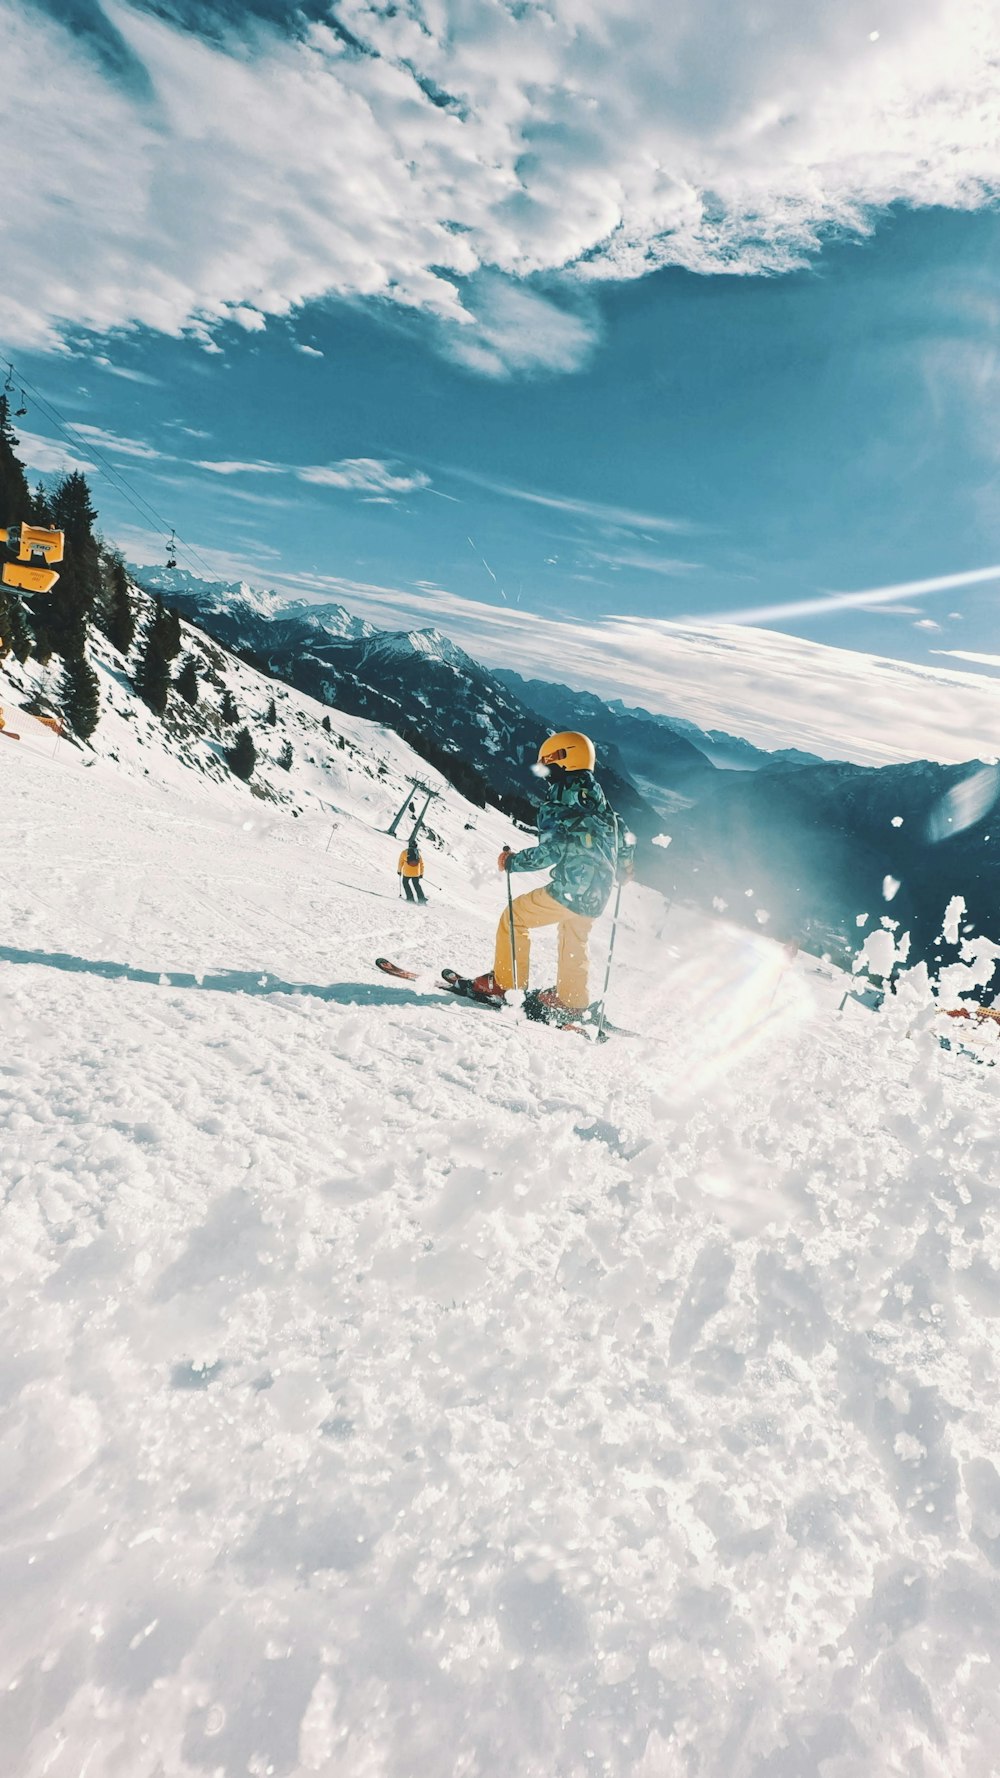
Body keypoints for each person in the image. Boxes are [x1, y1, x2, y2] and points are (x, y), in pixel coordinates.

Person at [469, 731, 631, 1015]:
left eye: (548, 764)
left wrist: (513, 862)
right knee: (574, 936)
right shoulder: (600, 802)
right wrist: (625, 867)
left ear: (564, 761)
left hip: (571, 888)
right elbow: (625, 834)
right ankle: (572, 1000)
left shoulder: (557, 803)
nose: (544, 772)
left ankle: (507, 985)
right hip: (598, 893)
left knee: (513, 918)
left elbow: (551, 850)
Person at [398, 838, 427, 904]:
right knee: (416, 885)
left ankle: (410, 898)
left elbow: (400, 862)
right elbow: (421, 864)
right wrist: (421, 873)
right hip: (416, 873)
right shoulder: (417, 853)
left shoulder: (404, 852)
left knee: (405, 883)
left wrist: (399, 871)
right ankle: (421, 898)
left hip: (407, 872)